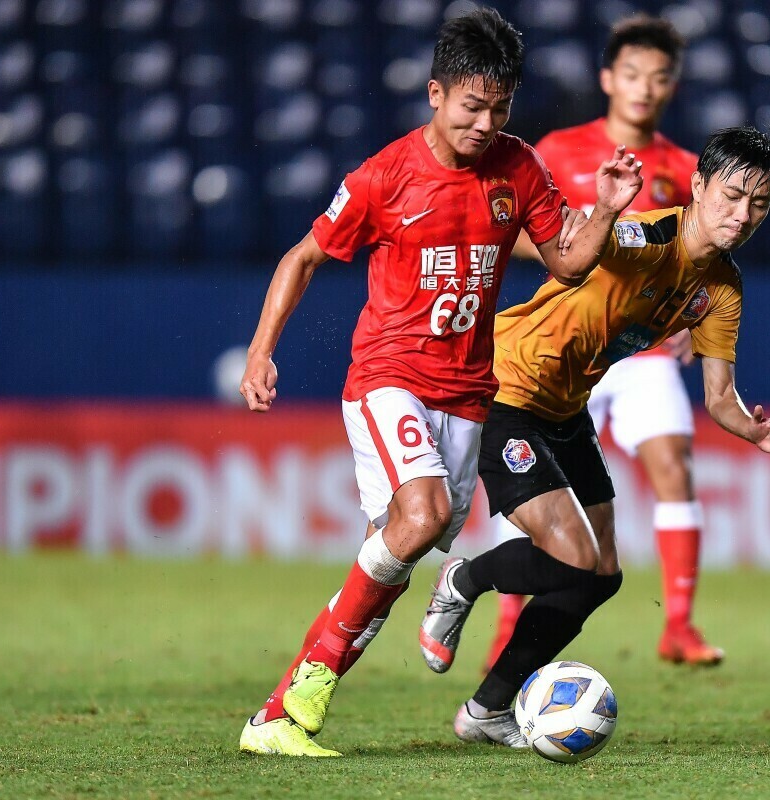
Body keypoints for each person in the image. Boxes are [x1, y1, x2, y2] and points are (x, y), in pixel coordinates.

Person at [236, 7, 643, 758]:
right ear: (435, 93)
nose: (485, 123)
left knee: (390, 556)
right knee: (418, 519)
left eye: (500, 107)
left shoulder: (518, 166)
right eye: (471, 105)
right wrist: (261, 352)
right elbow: (301, 257)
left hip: (465, 396)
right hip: (388, 379)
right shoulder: (384, 176)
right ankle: (296, 703)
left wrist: (608, 209)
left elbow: (566, 261)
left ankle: (280, 714)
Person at [418, 126, 770, 747]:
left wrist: (753, 429)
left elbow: (719, 398)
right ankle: (465, 579)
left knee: (599, 576)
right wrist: (605, 209)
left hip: (566, 409)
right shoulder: (646, 237)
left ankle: (486, 711)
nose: (742, 215)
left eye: (758, 205)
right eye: (731, 196)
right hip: (505, 386)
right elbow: (565, 241)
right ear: (698, 187)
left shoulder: (721, 288)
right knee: (571, 555)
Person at [490, 14, 722, 671]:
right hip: (566, 335)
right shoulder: (558, 150)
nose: (645, 88)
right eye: (632, 74)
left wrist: (691, 320)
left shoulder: (685, 169)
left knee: (674, 464)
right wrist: (574, 251)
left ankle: (678, 625)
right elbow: (517, 226)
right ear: (606, 79)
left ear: (672, 86)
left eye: (659, 77)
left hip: (639, 349)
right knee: (538, 489)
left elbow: (699, 260)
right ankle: (510, 625)